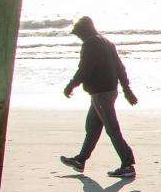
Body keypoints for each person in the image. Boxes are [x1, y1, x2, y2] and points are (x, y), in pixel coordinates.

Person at [59, 16, 137, 177]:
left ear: (85, 31)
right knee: (92, 128)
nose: (78, 37)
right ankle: (80, 160)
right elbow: (120, 68)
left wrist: (70, 85)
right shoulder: (107, 42)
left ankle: (128, 164)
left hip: (101, 94)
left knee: (112, 129)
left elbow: (84, 70)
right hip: (107, 92)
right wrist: (127, 90)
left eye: (78, 34)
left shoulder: (90, 44)